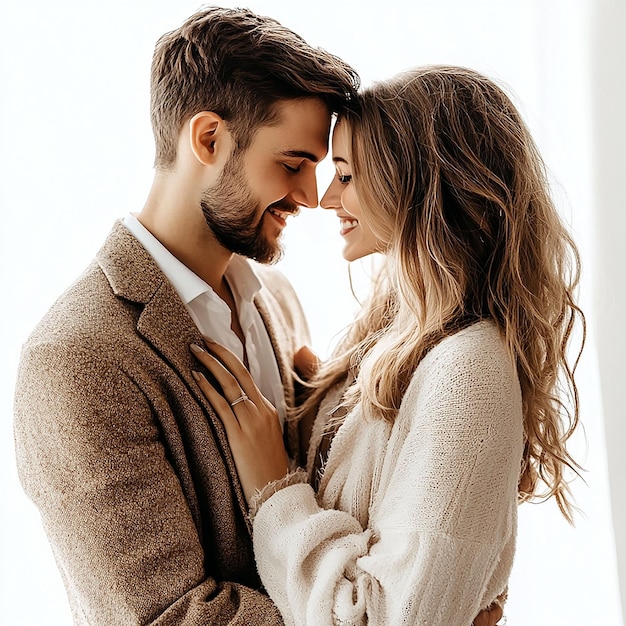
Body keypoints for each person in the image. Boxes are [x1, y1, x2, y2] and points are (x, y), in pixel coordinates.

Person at [190, 65, 585, 625]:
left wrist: (273, 487)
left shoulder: (470, 370)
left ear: (417, 184)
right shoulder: (400, 333)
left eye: (346, 175)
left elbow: (382, 618)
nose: (326, 197)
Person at [13, 7, 361, 624]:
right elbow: (169, 615)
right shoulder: (75, 359)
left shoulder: (275, 299)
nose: (312, 195)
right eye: (291, 163)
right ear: (207, 139)